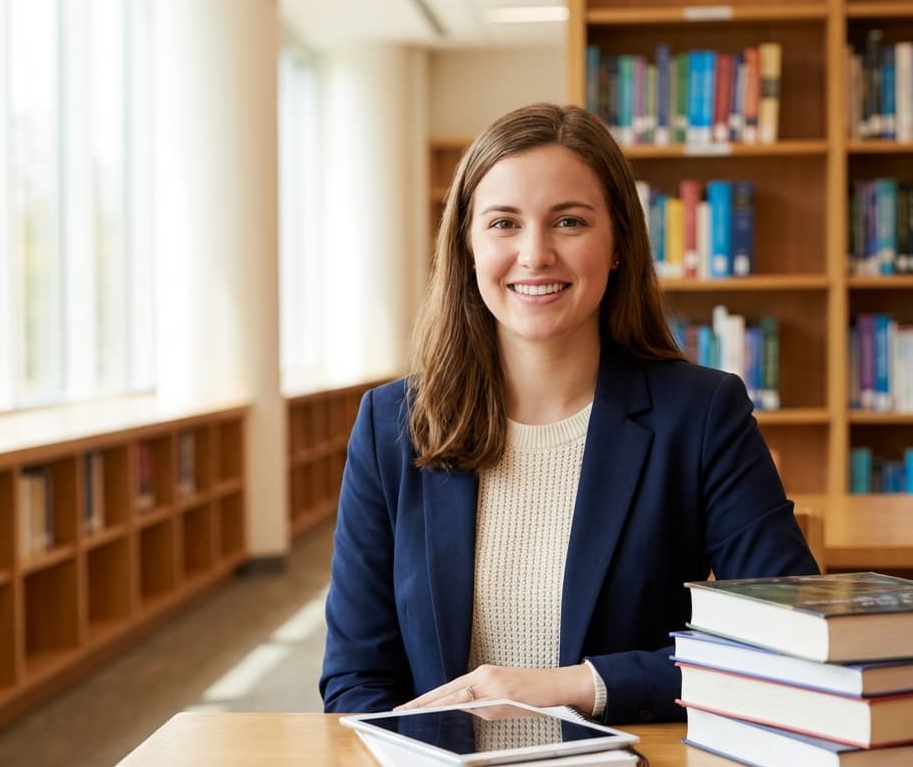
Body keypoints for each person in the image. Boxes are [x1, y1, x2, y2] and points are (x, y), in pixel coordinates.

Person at [320, 102, 819, 725]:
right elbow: (355, 679)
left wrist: (578, 686)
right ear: (467, 246)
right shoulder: (390, 424)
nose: (535, 254)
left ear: (616, 246)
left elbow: (789, 641)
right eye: (503, 223)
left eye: (569, 222)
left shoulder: (701, 415)